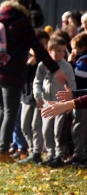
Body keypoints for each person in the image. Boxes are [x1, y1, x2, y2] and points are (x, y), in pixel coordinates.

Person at [0, 0, 67, 163]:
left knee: (2, 112)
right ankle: (3, 153)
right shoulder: (21, 22)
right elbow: (38, 48)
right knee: (9, 112)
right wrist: (55, 68)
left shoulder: (1, 18)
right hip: (10, 74)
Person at [33, 36, 76, 168]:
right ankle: (51, 154)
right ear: (49, 50)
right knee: (46, 130)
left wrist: (71, 102)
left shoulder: (66, 67)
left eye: (63, 51)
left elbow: (72, 85)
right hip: (47, 103)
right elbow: (37, 82)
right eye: (57, 50)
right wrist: (38, 96)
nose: (60, 54)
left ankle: (59, 155)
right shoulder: (42, 65)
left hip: (61, 104)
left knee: (59, 130)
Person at [18, 29, 49, 164]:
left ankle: (36, 152)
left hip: (40, 97)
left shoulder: (47, 60)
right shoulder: (25, 57)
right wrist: (28, 65)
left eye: (42, 44)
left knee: (36, 125)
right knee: (25, 125)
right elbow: (19, 76)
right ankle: (31, 149)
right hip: (26, 96)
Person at [62, 32, 87, 167]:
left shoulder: (83, 61)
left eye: (74, 48)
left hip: (82, 101)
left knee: (79, 128)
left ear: (82, 47)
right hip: (81, 98)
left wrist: (70, 63)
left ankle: (79, 156)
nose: (73, 51)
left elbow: (78, 75)